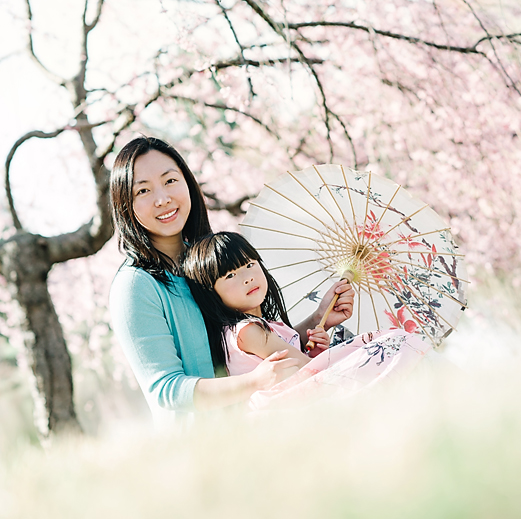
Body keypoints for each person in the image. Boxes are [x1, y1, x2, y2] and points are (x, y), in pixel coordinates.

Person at [108, 136, 354, 425]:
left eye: (170, 181)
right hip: (206, 446)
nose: (162, 199)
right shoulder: (135, 286)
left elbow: (248, 345)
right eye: (144, 191)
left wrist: (317, 318)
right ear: (126, 205)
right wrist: (253, 383)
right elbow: (167, 390)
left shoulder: (207, 265)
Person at [183, 231, 432, 410]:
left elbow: (299, 361)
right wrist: (319, 356)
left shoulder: (264, 326)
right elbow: (307, 370)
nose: (247, 277)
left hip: (294, 398)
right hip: (282, 407)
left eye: (249, 265)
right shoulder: (248, 331)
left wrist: (319, 325)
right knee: (390, 344)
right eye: (230, 275)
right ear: (211, 293)